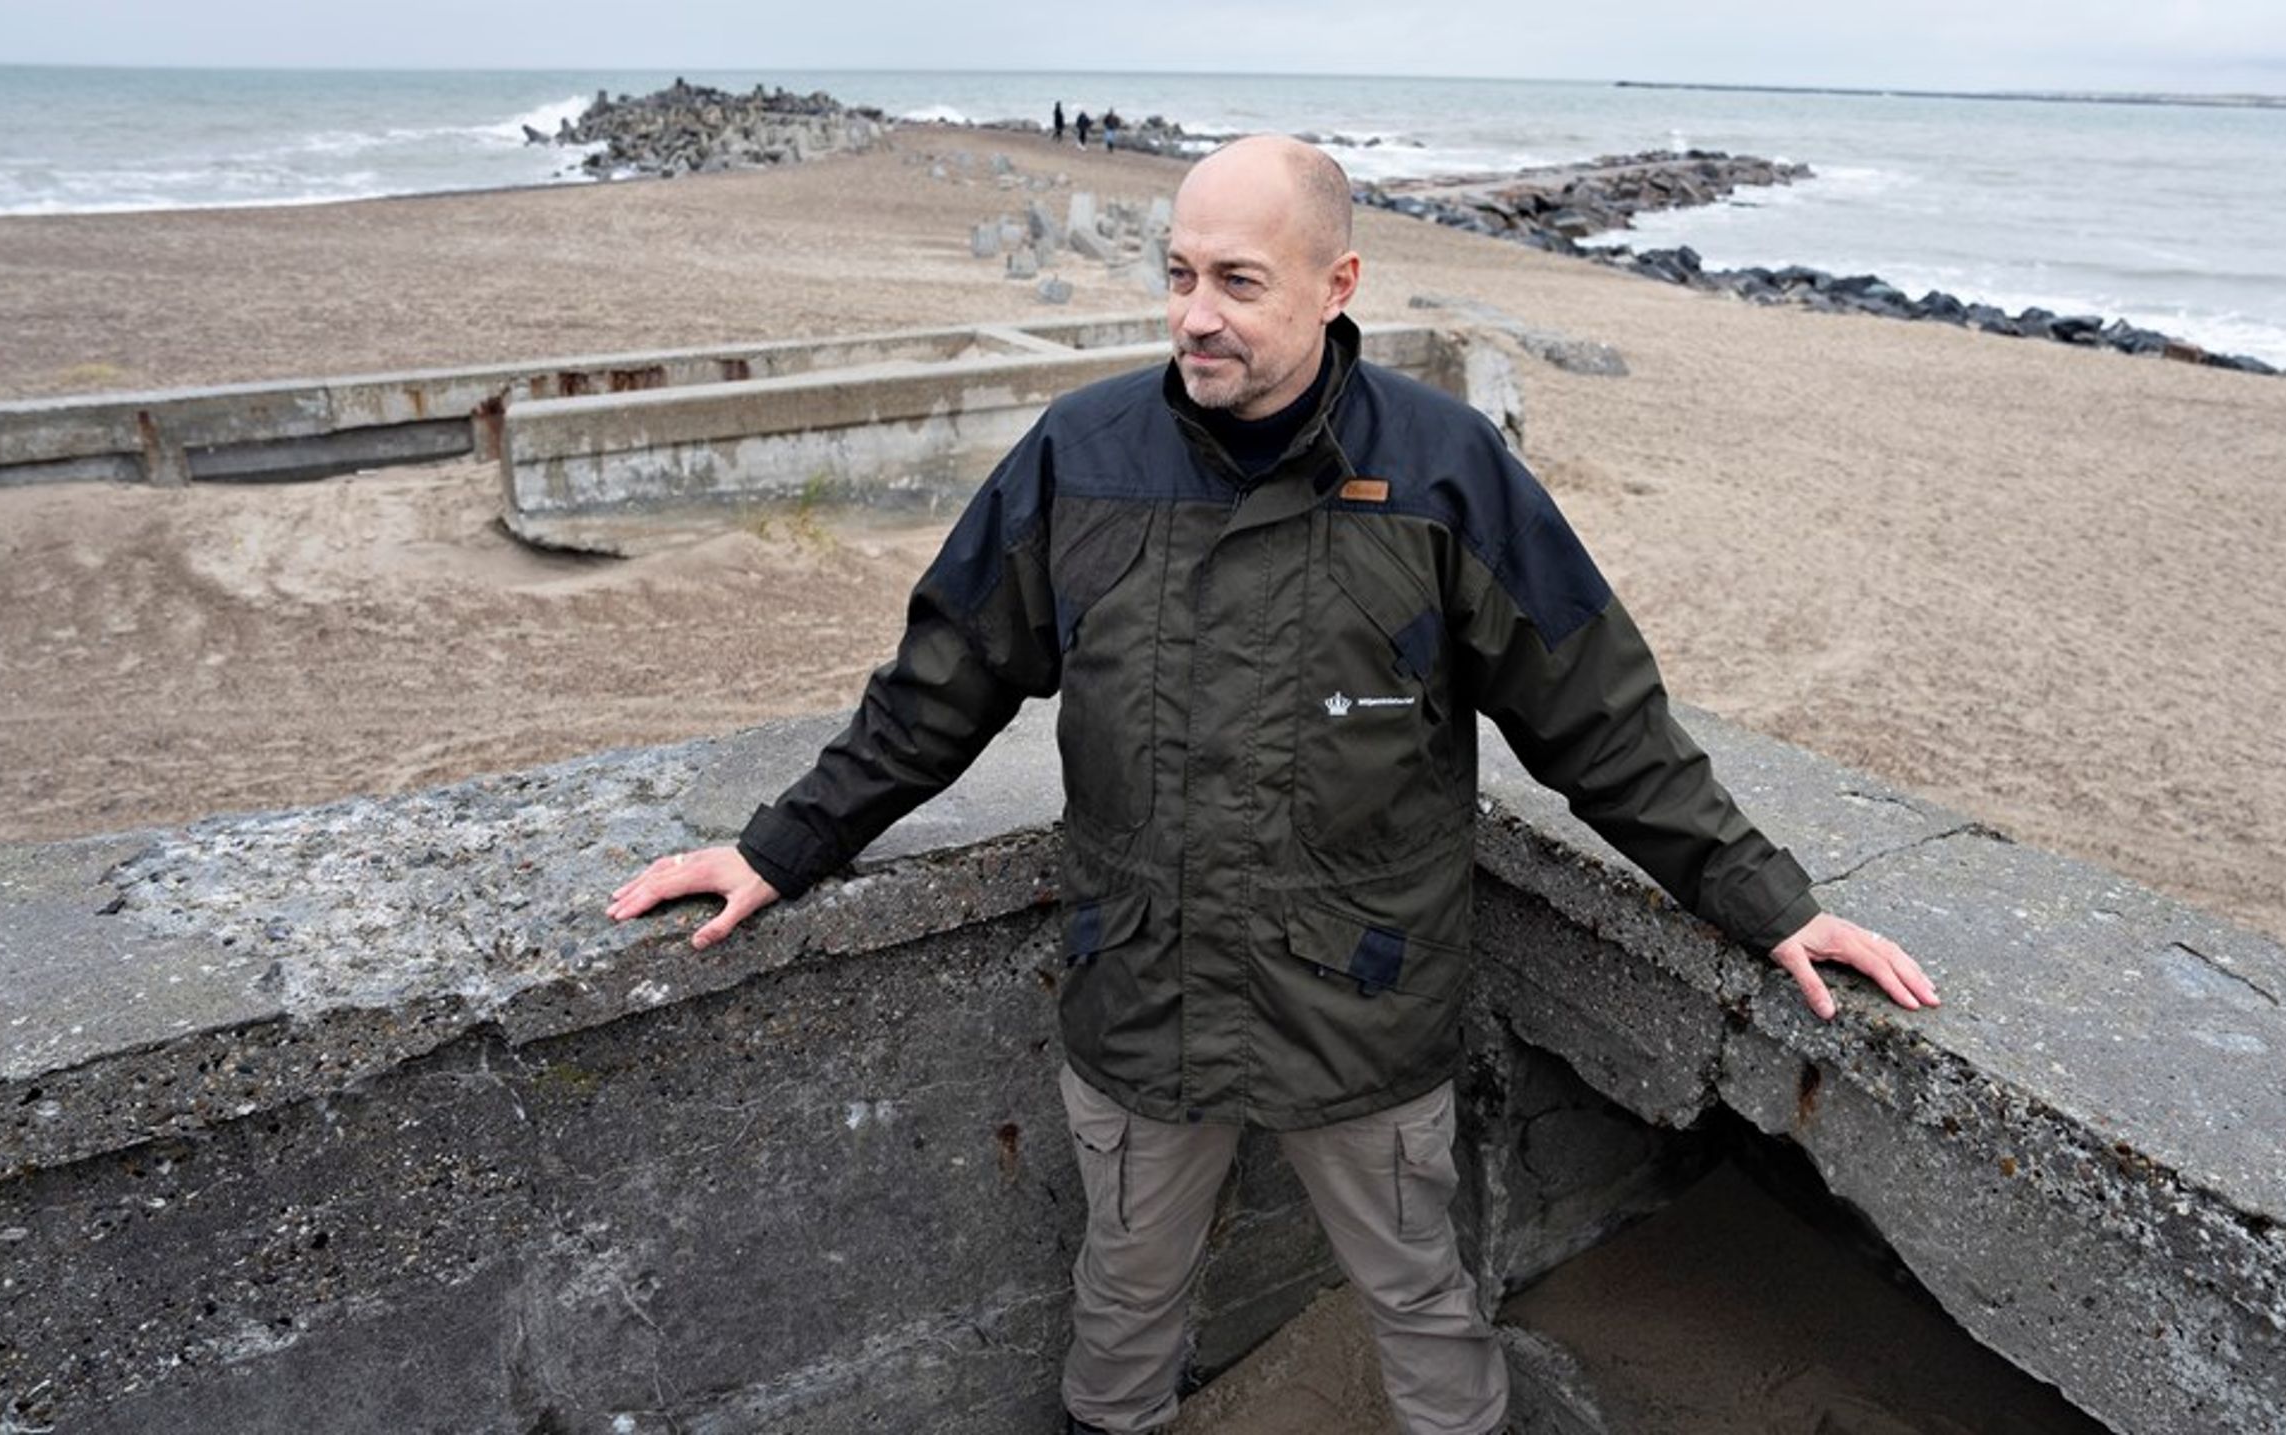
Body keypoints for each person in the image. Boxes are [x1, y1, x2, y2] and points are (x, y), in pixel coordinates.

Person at [606, 134, 1941, 1435]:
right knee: (1123, 1308)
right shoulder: (1079, 456)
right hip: (1142, 998)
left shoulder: (1445, 470)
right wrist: (780, 848)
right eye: (1179, 275)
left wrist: (1765, 899)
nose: (1196, 316)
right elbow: (937, 689)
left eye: (1238, 282)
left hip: (1361, 1006)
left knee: (1422, 1303)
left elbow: (1599, 720)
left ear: (1336, 286)